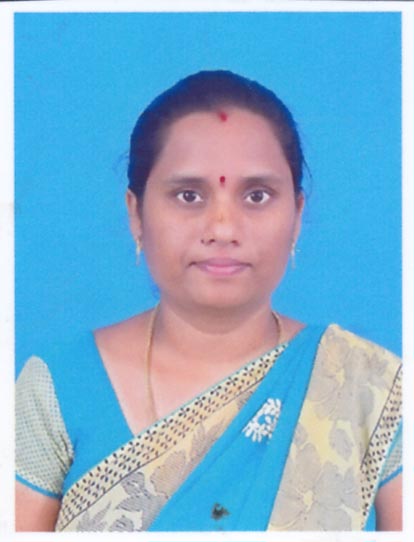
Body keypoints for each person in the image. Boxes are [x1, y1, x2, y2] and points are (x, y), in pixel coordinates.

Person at [15, 70, 402, 532]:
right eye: (188, 195)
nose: (222, 228)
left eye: (256, 196)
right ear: (136, 213)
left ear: (297, 215)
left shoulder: (370, 389)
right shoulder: (58, 387)